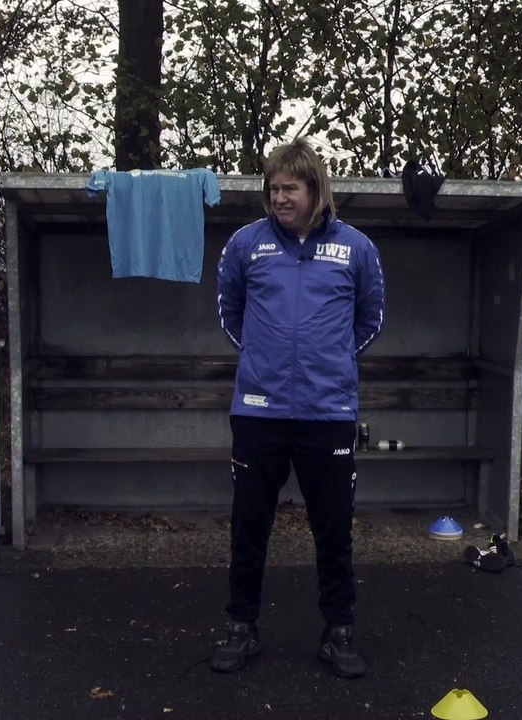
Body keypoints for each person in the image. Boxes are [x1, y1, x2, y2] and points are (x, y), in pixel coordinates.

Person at [211, 138, 385, 678]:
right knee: (249, 526)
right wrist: (267, 361)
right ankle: (242, 629)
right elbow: (230, 312)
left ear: (316, 189)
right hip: (258, 413)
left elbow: (370, 319)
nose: (279, 197)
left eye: (290, 188)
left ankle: (339, 632)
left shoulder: (357, 248)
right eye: (273, 188)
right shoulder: (245, 244)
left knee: (332, 528)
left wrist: (327, 363)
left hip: (328, 413)